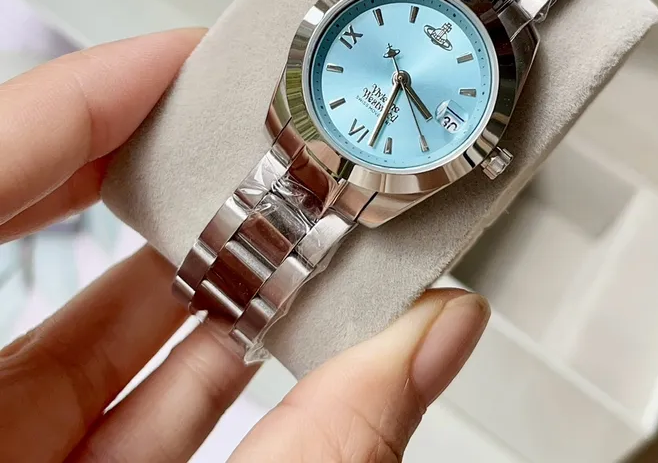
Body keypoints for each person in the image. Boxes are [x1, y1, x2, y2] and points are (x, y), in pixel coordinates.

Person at [0, 29, 489, 462]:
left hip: (359, 185)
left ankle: (233, 299)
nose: (401, 79)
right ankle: (217, 287)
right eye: (399, 74)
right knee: (237, 243)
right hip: (308, 143)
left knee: (293, 253)